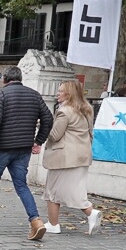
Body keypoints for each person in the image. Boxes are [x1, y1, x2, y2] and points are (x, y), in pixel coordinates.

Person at [0, 66, 53, 240]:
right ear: (20, 78)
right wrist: (38, 141)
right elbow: (48, 118)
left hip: (2, 148)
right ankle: (36, 220)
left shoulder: (1, 95)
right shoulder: (34, 95)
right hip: (23, 149)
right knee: (21, 185)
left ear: (4, 79)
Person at [42, 80, 102, 235]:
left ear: (68, 94)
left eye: (60, 91)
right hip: (82, 155)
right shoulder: (87, 109)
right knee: (75, 190)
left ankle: (55, 224)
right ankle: (90, 214)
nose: (57, 93)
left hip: (64, 156)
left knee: (52, 191)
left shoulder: (64, 111)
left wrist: (42, 126)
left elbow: (55, 135)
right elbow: (89, 132)